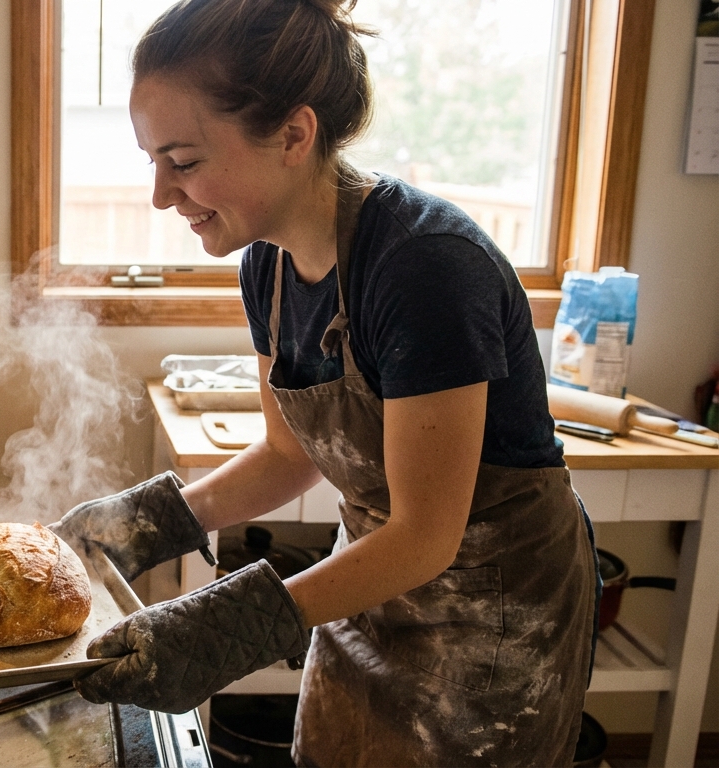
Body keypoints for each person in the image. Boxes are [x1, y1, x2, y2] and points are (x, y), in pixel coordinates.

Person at [49, 0, 599, 764]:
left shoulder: (425, 267)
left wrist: (228, 624)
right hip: (367, 586)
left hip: (492, 619)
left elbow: (426, 535)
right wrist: (142, 523)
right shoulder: (267, 265)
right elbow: (288, 454)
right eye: (154, 164)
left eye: (185, 162)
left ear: (293, 135)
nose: (161, 195)